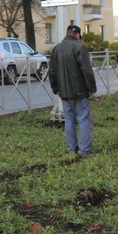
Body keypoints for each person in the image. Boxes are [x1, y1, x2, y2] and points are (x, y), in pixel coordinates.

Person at [48, 24, 97, 156]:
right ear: (77, 35)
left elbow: (51, 71)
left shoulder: (56, 48)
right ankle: (85, 150)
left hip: (64, 92)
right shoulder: (80, 47)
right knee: (83, 119)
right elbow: (86, 70)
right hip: (80, 91)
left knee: (69, 120)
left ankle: (71, 149)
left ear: (67, 33)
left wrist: (55, 88)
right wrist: (92, 88)